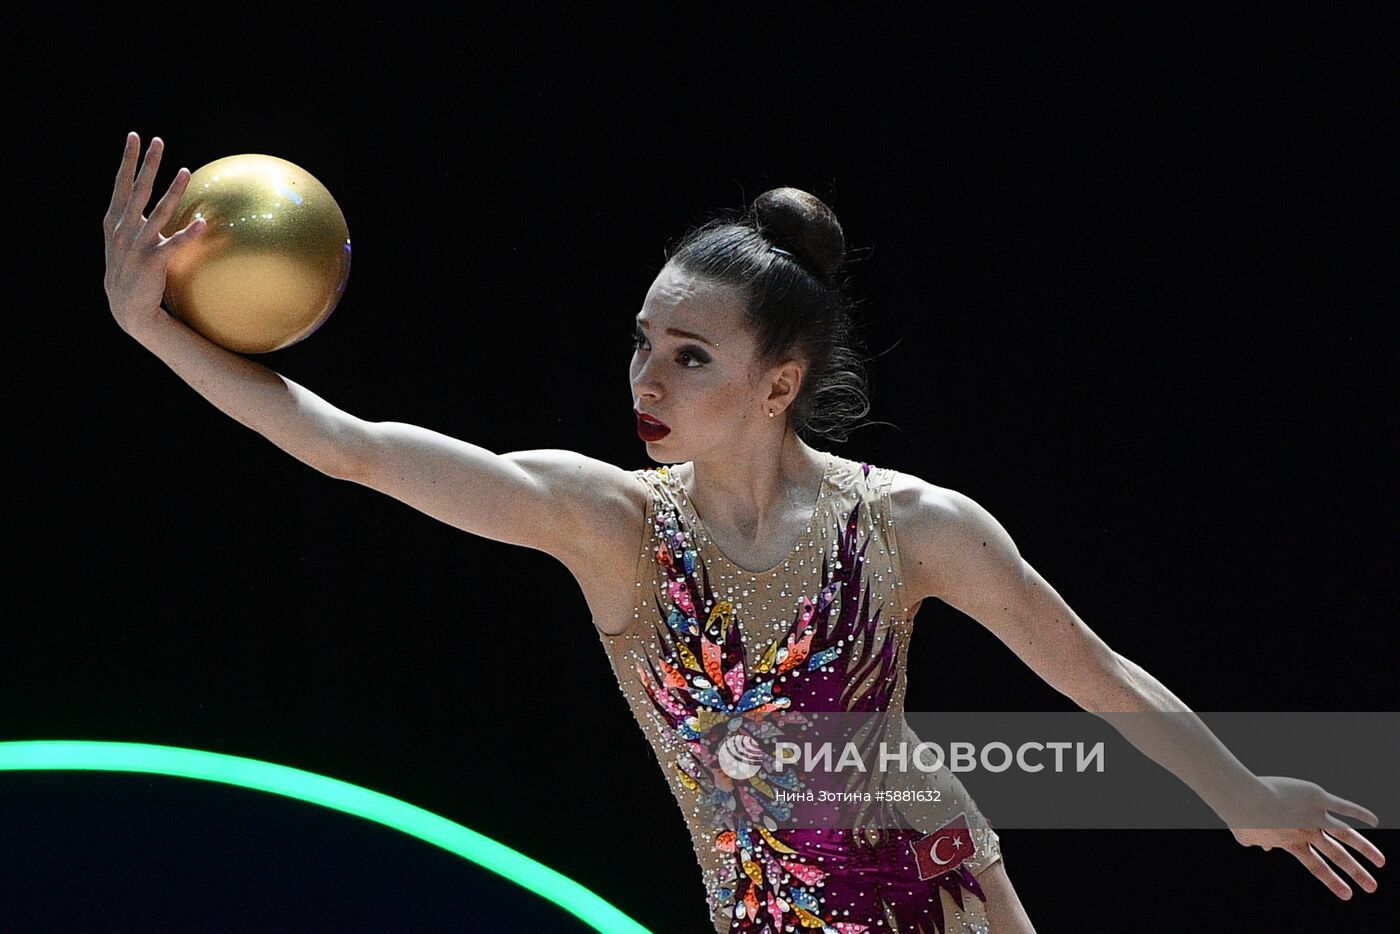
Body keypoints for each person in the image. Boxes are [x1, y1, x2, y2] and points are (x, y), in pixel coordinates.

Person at [104, 133, 1383, 933]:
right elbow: (351, 446)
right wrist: (155, 326)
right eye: (642, 344)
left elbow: (1097, 677)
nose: (643, 381)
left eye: (689, 355)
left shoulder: (909, 526)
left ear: (776, 385)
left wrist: (1242, 796)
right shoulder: (602, 520)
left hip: (945, 899)